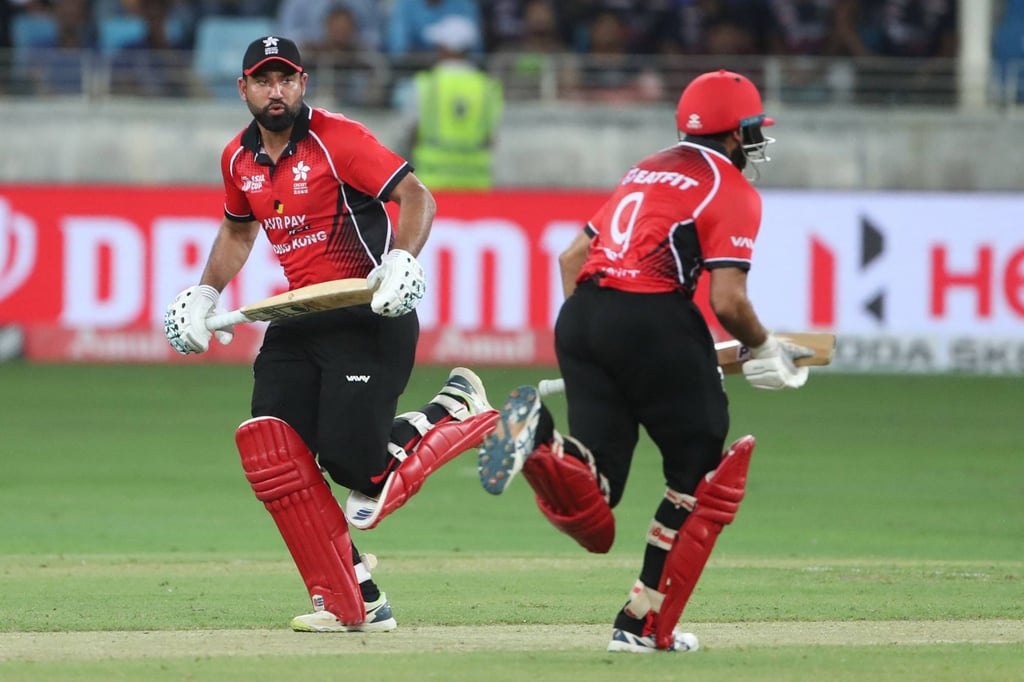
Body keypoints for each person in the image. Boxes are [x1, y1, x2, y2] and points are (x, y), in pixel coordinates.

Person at [163, 35, 498, 634]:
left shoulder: (336, 138)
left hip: (366, 313)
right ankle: (356, 597)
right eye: (263, 81)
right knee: (275, 451)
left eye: (285, 79)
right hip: (298, 319)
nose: (276, 91)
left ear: (302, 84)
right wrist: (206, 292)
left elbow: (415, 197)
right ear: (243, 89)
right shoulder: (237, 159)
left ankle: (451, 410)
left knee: (355, 468)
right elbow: (239, 233)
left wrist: (402, 260)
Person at [477, 69, 814, 653]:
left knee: (598, 483)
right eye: (752, 129)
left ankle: (544, 444)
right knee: (700, 470)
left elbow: (572, 255)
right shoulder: (730, 187)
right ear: (735, 134)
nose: (756, 140)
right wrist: (764, 348)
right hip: (653, 316)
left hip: (582, 315)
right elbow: (728, 300)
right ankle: (642, 623)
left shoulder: (646, 168)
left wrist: (599, 343)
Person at [402, 14, 504, 190]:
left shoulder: (426, 84)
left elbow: (411, 132)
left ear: (444, 48)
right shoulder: (487, 87)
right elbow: (492, 138)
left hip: (432, 182)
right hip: (476, 182)